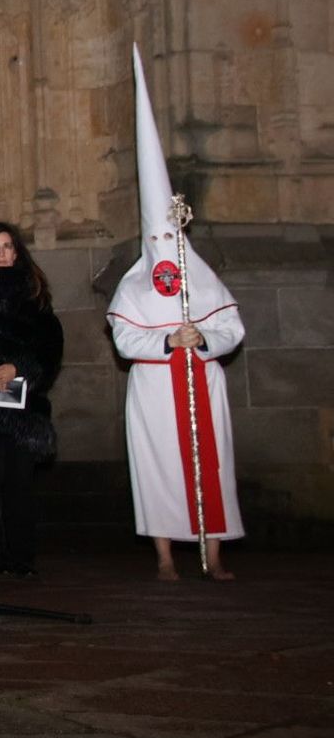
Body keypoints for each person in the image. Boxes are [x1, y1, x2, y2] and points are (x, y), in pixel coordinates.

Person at [107, 46, 244, 582]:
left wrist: (202, 336)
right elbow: (124, 338)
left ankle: (215, 553)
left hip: (201, 381)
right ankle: (165, 556)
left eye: (173, 236)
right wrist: (166, 342)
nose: (166, 246)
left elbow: (232, 326)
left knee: (211, 465)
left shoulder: (201, 275)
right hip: (157, 386)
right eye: (157, 237)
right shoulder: (133, 283)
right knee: (159, 467)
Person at [0, 222, 62, 579]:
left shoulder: (34, 295)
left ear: (17, 251)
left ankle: (21, 555)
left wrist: (21, 368)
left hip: (22, 405)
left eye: (8, 246)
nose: (2, 253)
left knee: (19, 482)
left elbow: (50, 348)